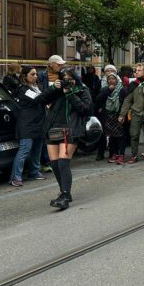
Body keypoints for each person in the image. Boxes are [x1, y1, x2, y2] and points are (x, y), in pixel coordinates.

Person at [39, 68, 92, 210]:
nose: (67, 81)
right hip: (53, 129)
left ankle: (65, 195)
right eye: (64, 78)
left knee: (63, 163)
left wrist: (70, 93)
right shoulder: (57, 90)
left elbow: (85, 109)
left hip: (70, 130)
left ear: (76, 78)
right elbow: (40, 100)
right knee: (55, 164)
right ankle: (65, 192)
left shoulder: (82, 90)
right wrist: (53, 88)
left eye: (70, 78)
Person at [9, 67, 47, 187]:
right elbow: (38, 99)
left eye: (36, 74)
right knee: (24, 150)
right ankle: (15, 177)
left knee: (37, 149)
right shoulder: (23, 89)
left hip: (39, 123)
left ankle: (34, 171)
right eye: (32, 74)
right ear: (25, 76)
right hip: (27, 124)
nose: (35, 76)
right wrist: (52, 90)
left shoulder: (36, 88)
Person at [95, 72, 127, 164]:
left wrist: (122, 115)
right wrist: (108, 90)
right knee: (112, 135)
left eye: (113, 78)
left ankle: (121, 155)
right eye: (109, 79)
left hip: (119, 115)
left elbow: (125, 103)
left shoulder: (122, 90)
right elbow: (98, 99)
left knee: (120, 136)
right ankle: (113, 153)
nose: (111, 80)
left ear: (117, 80)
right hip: (108, 116)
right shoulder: (105, 89)